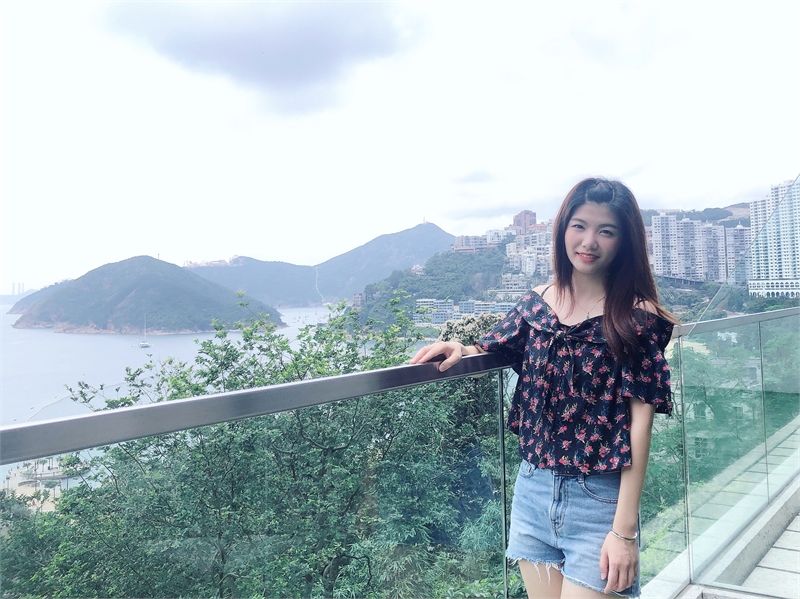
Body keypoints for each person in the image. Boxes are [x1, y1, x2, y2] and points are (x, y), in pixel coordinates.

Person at [410, 178, 676, 598]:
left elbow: (639, 426)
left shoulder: (635, 318)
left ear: (624, 241)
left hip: (599, 498)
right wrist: (460, 348)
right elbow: (491, 345)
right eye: (579, 226)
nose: (589, 241)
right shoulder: (537, 305)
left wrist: (624, 532)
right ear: (563, 229)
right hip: (533, 489)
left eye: (606, 231)